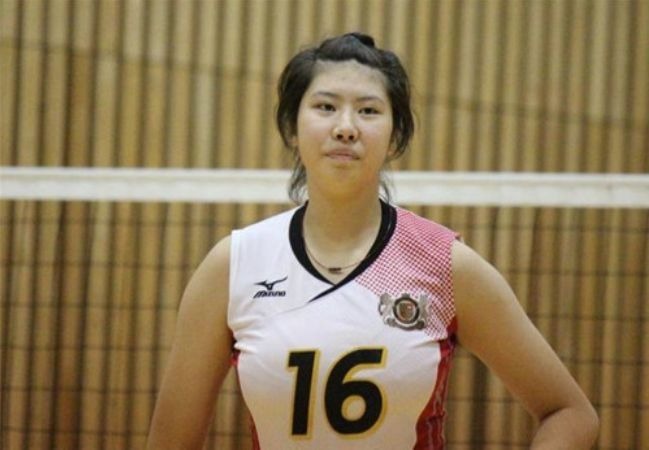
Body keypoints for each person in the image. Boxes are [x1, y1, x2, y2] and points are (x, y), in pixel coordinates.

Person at [146, 32, 599, 449]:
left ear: (395, 137)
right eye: (325, 107)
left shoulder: (444, 266)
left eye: (368, 111)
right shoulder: (236, 266)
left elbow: (570, 413)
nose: (346, 127)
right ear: (292, 128)